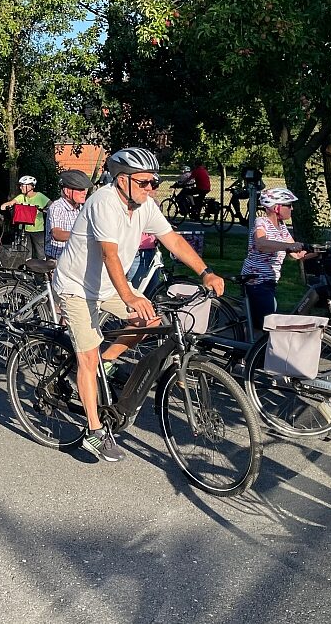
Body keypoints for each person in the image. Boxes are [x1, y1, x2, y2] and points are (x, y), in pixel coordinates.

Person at [54, 147, 225, 462]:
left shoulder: (144, 205)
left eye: (154, 182)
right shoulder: (103, 203)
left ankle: (108, 359)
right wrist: (130, 296)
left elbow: (171, 239)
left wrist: (205, 271)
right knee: (86, 361)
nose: (151, 188)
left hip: (110, 284)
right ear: (121, 180)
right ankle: (94, 432)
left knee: (151, 323)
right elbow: (110, 254)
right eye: (144, 182)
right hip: (77, 288)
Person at [240, 187, 309, 332]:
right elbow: (261, 244)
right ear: (276, 207)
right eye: (289, 205)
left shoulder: (282, 227)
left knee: (264, 324)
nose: (292, 208)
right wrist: (289, 246)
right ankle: (253, 351)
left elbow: (297, 254)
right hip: (256, 280)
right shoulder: (261, 222)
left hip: (270, 281)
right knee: (267, 326)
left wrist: (321, 250)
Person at [45, 169, 91, 260]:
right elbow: (57, 234)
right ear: (67, 191)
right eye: (80, 189)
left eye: (85, 189)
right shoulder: (57, 207)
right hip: (58, 260)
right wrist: (84, 235)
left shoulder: (82, 208)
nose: (84, 192)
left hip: (76, 258)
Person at [1, 176, 50, 259]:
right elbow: (12, 202)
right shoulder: (21, 197)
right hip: (24, 229)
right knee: (26, 253)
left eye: (22, 185)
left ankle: (42, 269)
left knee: (40, 253)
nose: (20, 188)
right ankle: (27, 268)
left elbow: (52, 206)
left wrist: (45, 210)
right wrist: (5, 205)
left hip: (37, 230)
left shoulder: (40, 196)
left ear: (30, 186)